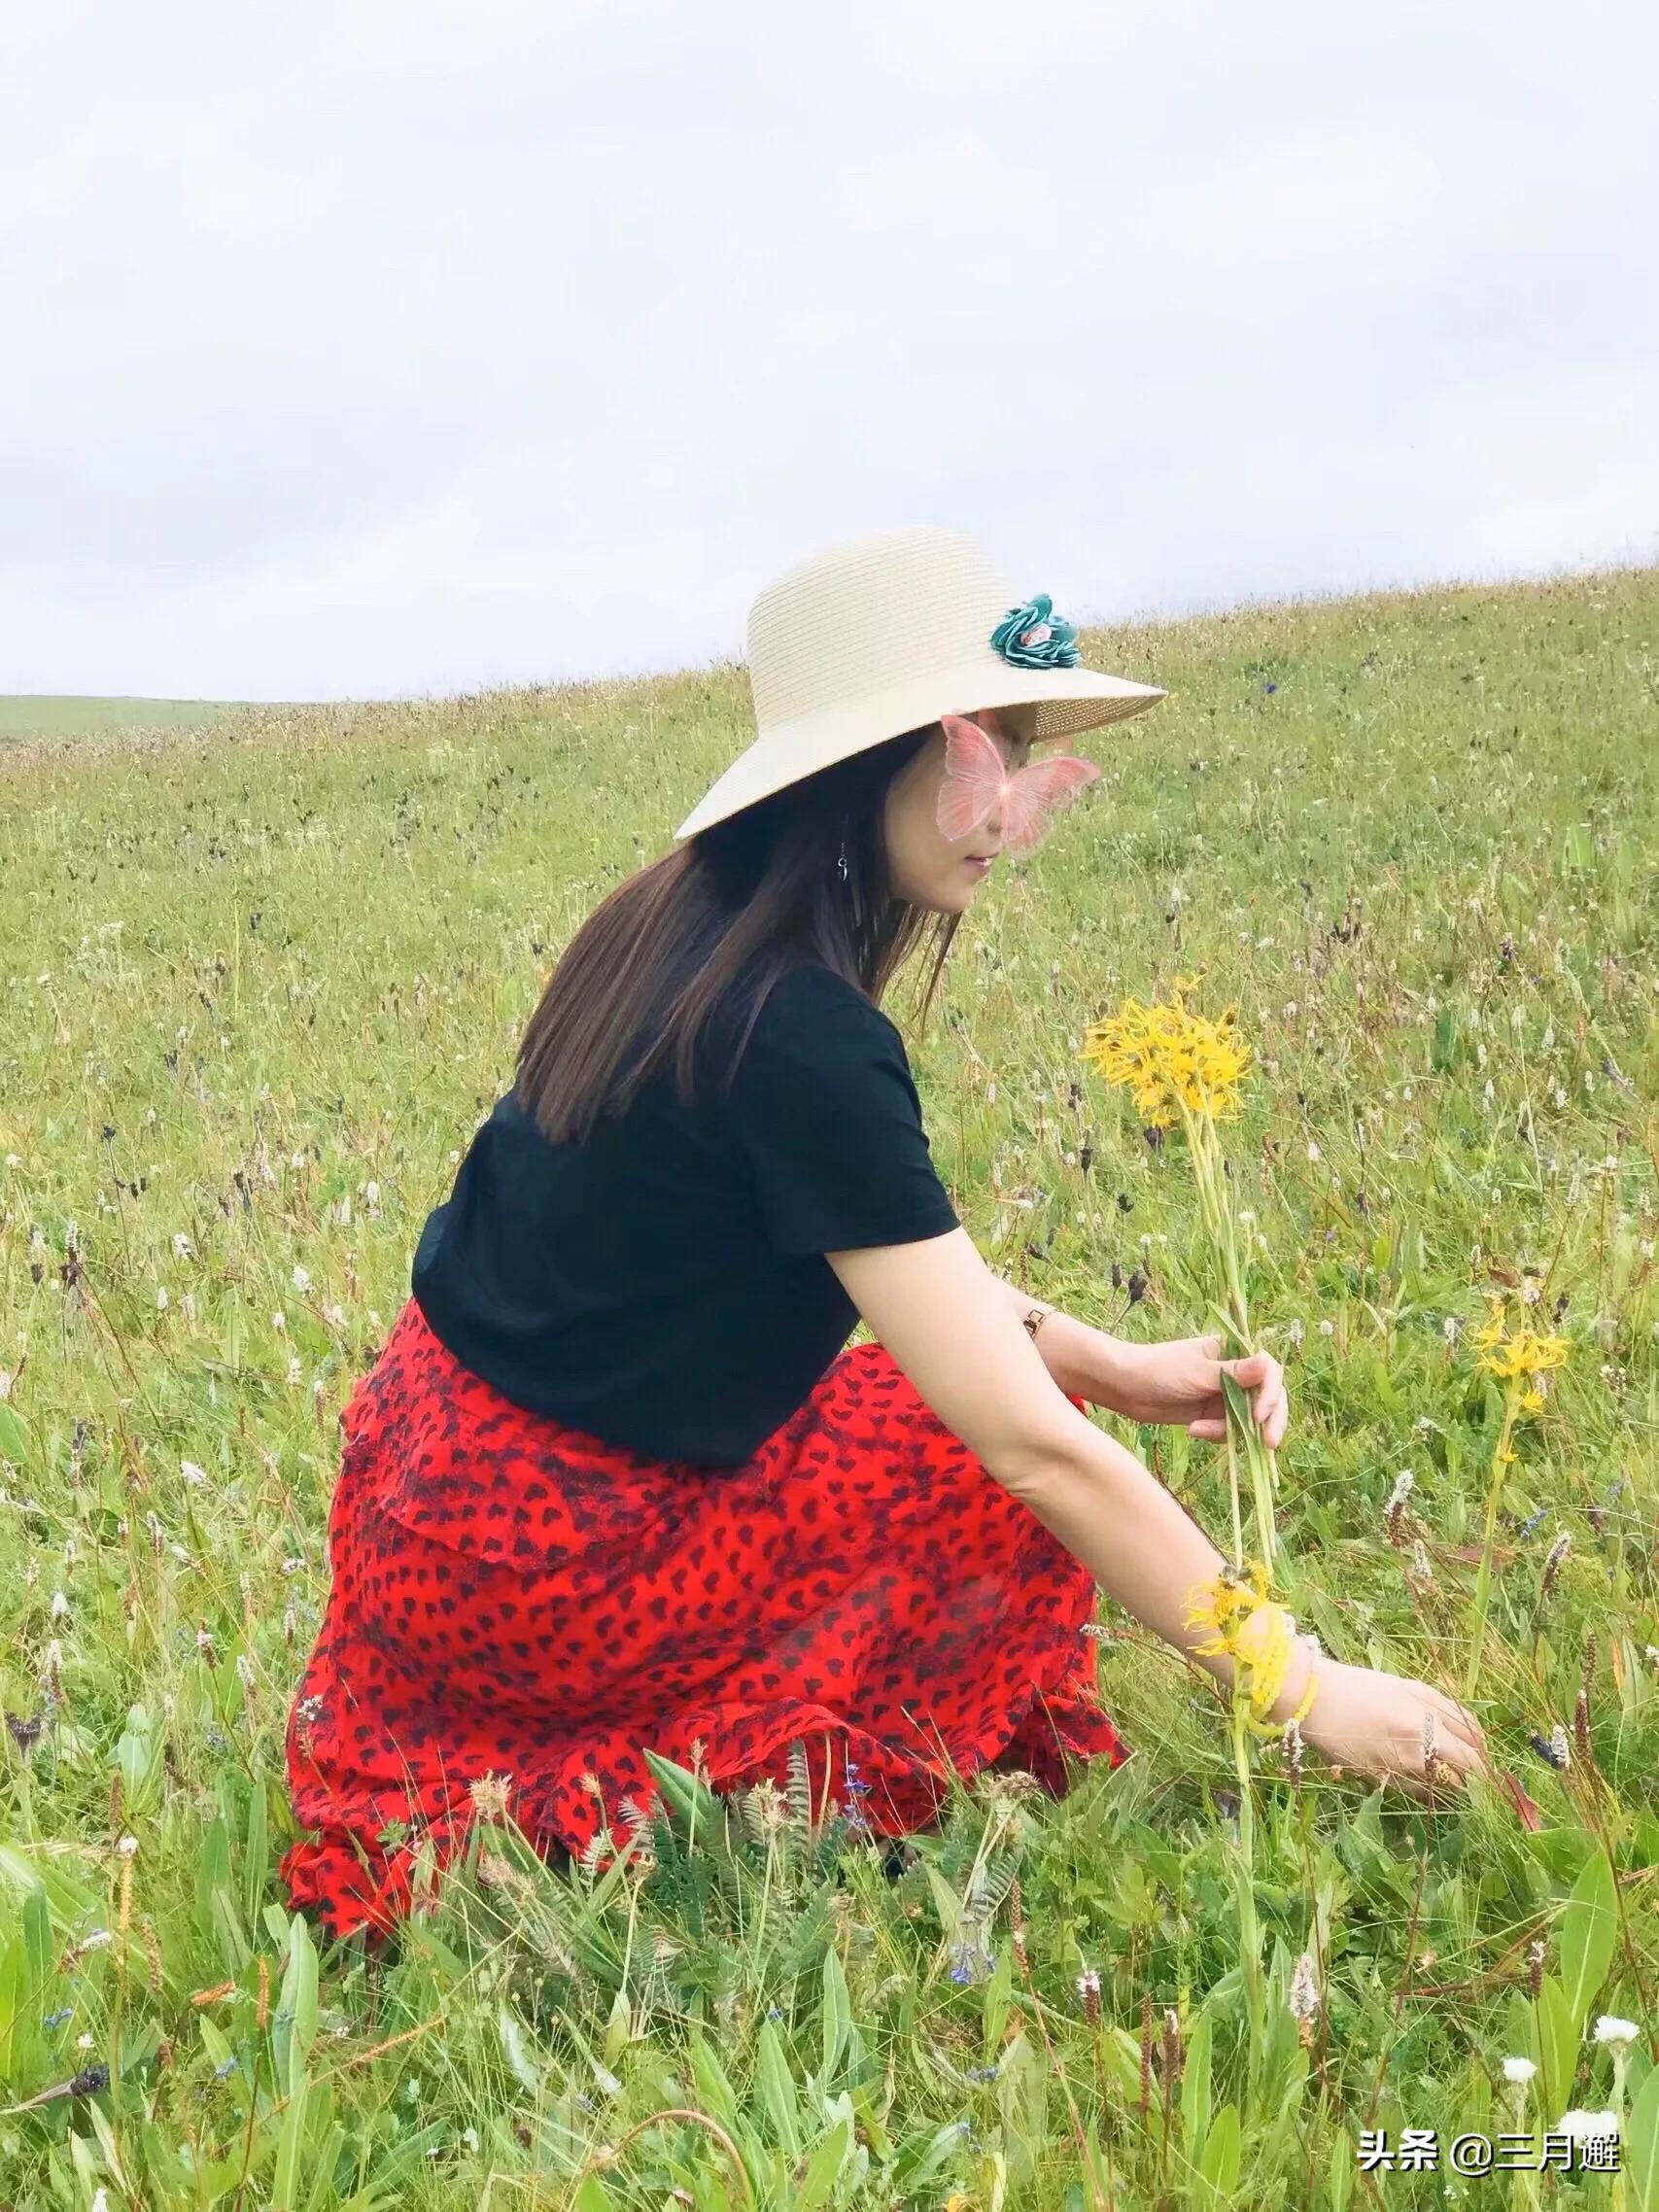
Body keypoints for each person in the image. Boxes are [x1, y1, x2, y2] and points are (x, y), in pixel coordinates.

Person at [280, 524, 1492, 1941]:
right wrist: (1301, 1687)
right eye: (988, 756)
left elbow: (885, 1265)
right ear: (877, 763)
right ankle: (746, 1784)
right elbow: (1026, 1445)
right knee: (989, 1477)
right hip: (540, 1564)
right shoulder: (802, 1033)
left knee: (961, 1411)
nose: (1013, 814)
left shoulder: (672, 922)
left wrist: (1105, 1359)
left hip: (425, 1490)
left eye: (1025, 761)